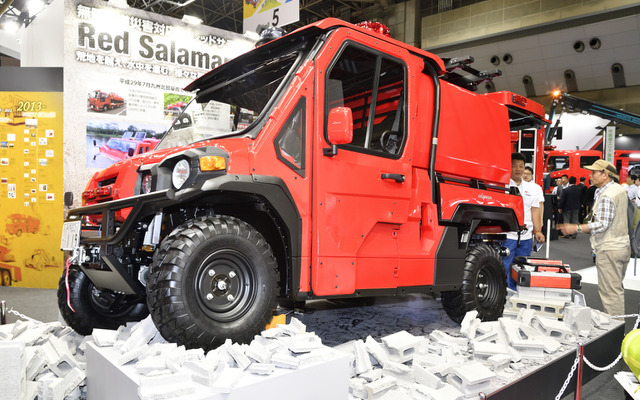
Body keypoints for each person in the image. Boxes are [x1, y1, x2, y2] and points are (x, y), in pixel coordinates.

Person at [559, 159, 630, 317]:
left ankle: (616, 332)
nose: (590, 175)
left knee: (610, 294)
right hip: (621, 245)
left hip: (609, 248)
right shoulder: (618, 189)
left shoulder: (607, 195)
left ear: (605, 175)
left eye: (594, 172)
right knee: (615, 289)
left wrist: (575, 228)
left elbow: (602, 224)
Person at [503, 153, 545, 290]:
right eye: (514, 166)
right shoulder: (501, 185)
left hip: (526, 236)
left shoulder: (534, 188)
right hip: (507, 235)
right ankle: (503, 294)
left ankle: (517, 294)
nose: (518, 169)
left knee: (521, 267)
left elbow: (535, 210)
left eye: (521, 166)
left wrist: (538, 231)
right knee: (505, 266)